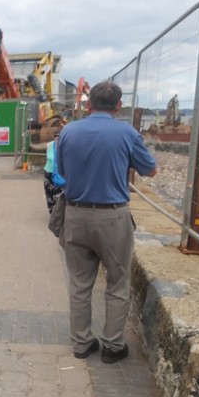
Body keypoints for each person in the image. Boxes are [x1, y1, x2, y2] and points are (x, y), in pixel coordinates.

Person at [56, 81, 157, 363]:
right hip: (113, 217)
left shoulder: (68, 131)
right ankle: (112, 346)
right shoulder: (127, 132)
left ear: (88, 105)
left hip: (75, 215)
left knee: (79, 284)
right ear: (118, 106)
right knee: (117, 281)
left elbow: (62, 172)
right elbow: (150, 170)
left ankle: (81, 343)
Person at [43, 131, 64, 214]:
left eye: (59, 136)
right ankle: (52, 213)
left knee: (59, 194)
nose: (57, 138)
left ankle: (59, 213)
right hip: (48, 172)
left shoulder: (64, 146)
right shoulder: (49, 145)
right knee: (49, 194)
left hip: (60, 173)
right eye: (55, 136)